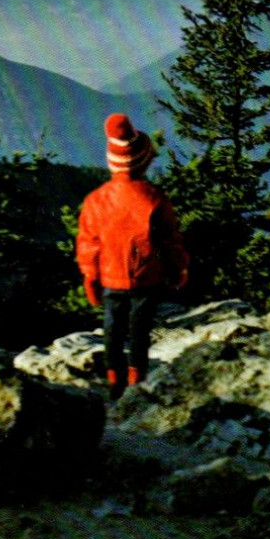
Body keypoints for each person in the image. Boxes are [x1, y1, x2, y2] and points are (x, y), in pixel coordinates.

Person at [75, 113, 190, 400]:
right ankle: (137, 380)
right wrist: (178, 269)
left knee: (112, 330)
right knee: (140, 332)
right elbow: (169, 241)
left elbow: (88, 242)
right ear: (143, 160)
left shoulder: (96, 200)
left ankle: (114, 380)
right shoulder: (154, 198)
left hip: (111, 278)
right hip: (147, 278)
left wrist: (91, 276)